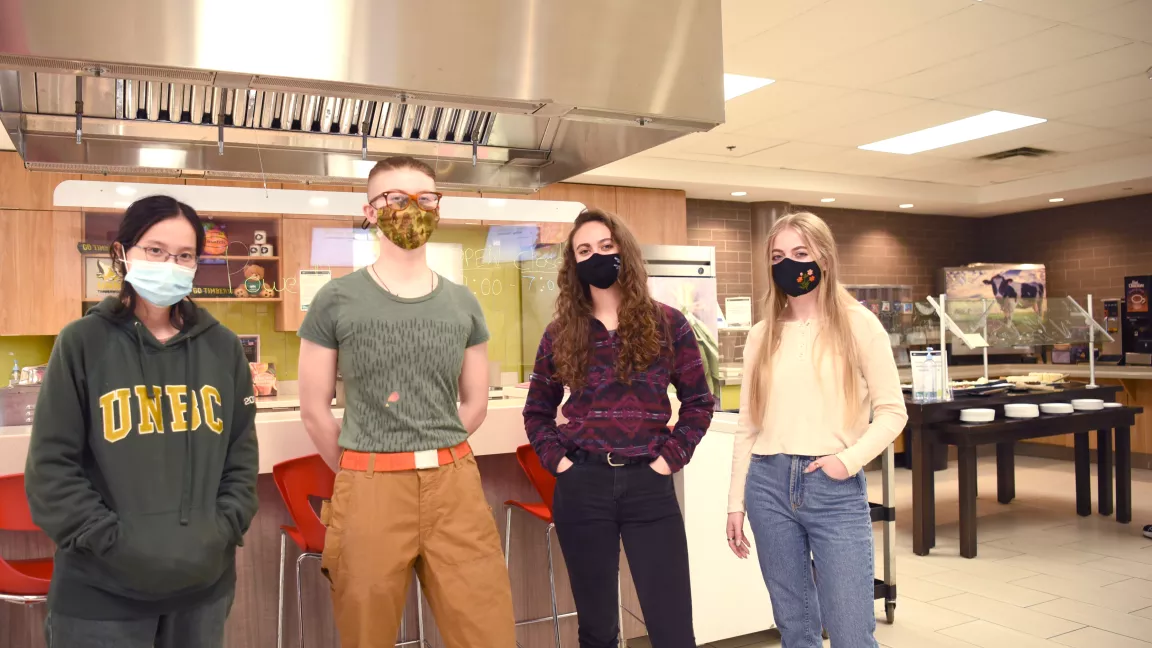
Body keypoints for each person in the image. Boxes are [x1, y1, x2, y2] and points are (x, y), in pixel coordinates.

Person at [297, 156, 515, 647]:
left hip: (454, 485)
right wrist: (361, 466)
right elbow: (315, 411)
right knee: (365, 632)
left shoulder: (463, 302)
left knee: (487, 629)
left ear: (439, 207)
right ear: (371, 211)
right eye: (396, 198)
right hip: (369, 487)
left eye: (424, 198)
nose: (411, 209)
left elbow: (474, 403)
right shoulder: (336, 300)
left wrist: (435, 450)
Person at [25, 195, 259, 648]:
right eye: (155, 250)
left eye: (184, 255)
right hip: (101, 598)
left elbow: (240, 454)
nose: (170, 263)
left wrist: (223, 529)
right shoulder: (82, 343)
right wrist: (112, 543)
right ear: (122, 253)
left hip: (202, 593)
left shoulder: (222, 348)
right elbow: (52, 468)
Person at [524, 208, 714, 648]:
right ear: (573, 264)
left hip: (649, 483)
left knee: (671, 626)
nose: (597, 256)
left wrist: (669, 461)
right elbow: (537, 411)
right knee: (597, 628)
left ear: (624, 252)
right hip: (582, 486)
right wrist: (563, 465)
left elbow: (699, 402)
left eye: (606, 247)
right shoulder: (560, 333)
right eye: (584, 250)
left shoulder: (668, 323)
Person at [725, 211, 907, 647]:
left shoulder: (859, 325)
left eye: (801, 253)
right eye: (778, 255)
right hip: (767, 486)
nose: (789, 264)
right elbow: (747, 426)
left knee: (850, 632)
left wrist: (847, 462)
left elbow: (892, 412)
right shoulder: (761, 335)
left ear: (824, 257)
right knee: (796, 629)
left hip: (833, 486)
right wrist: (735, 502)